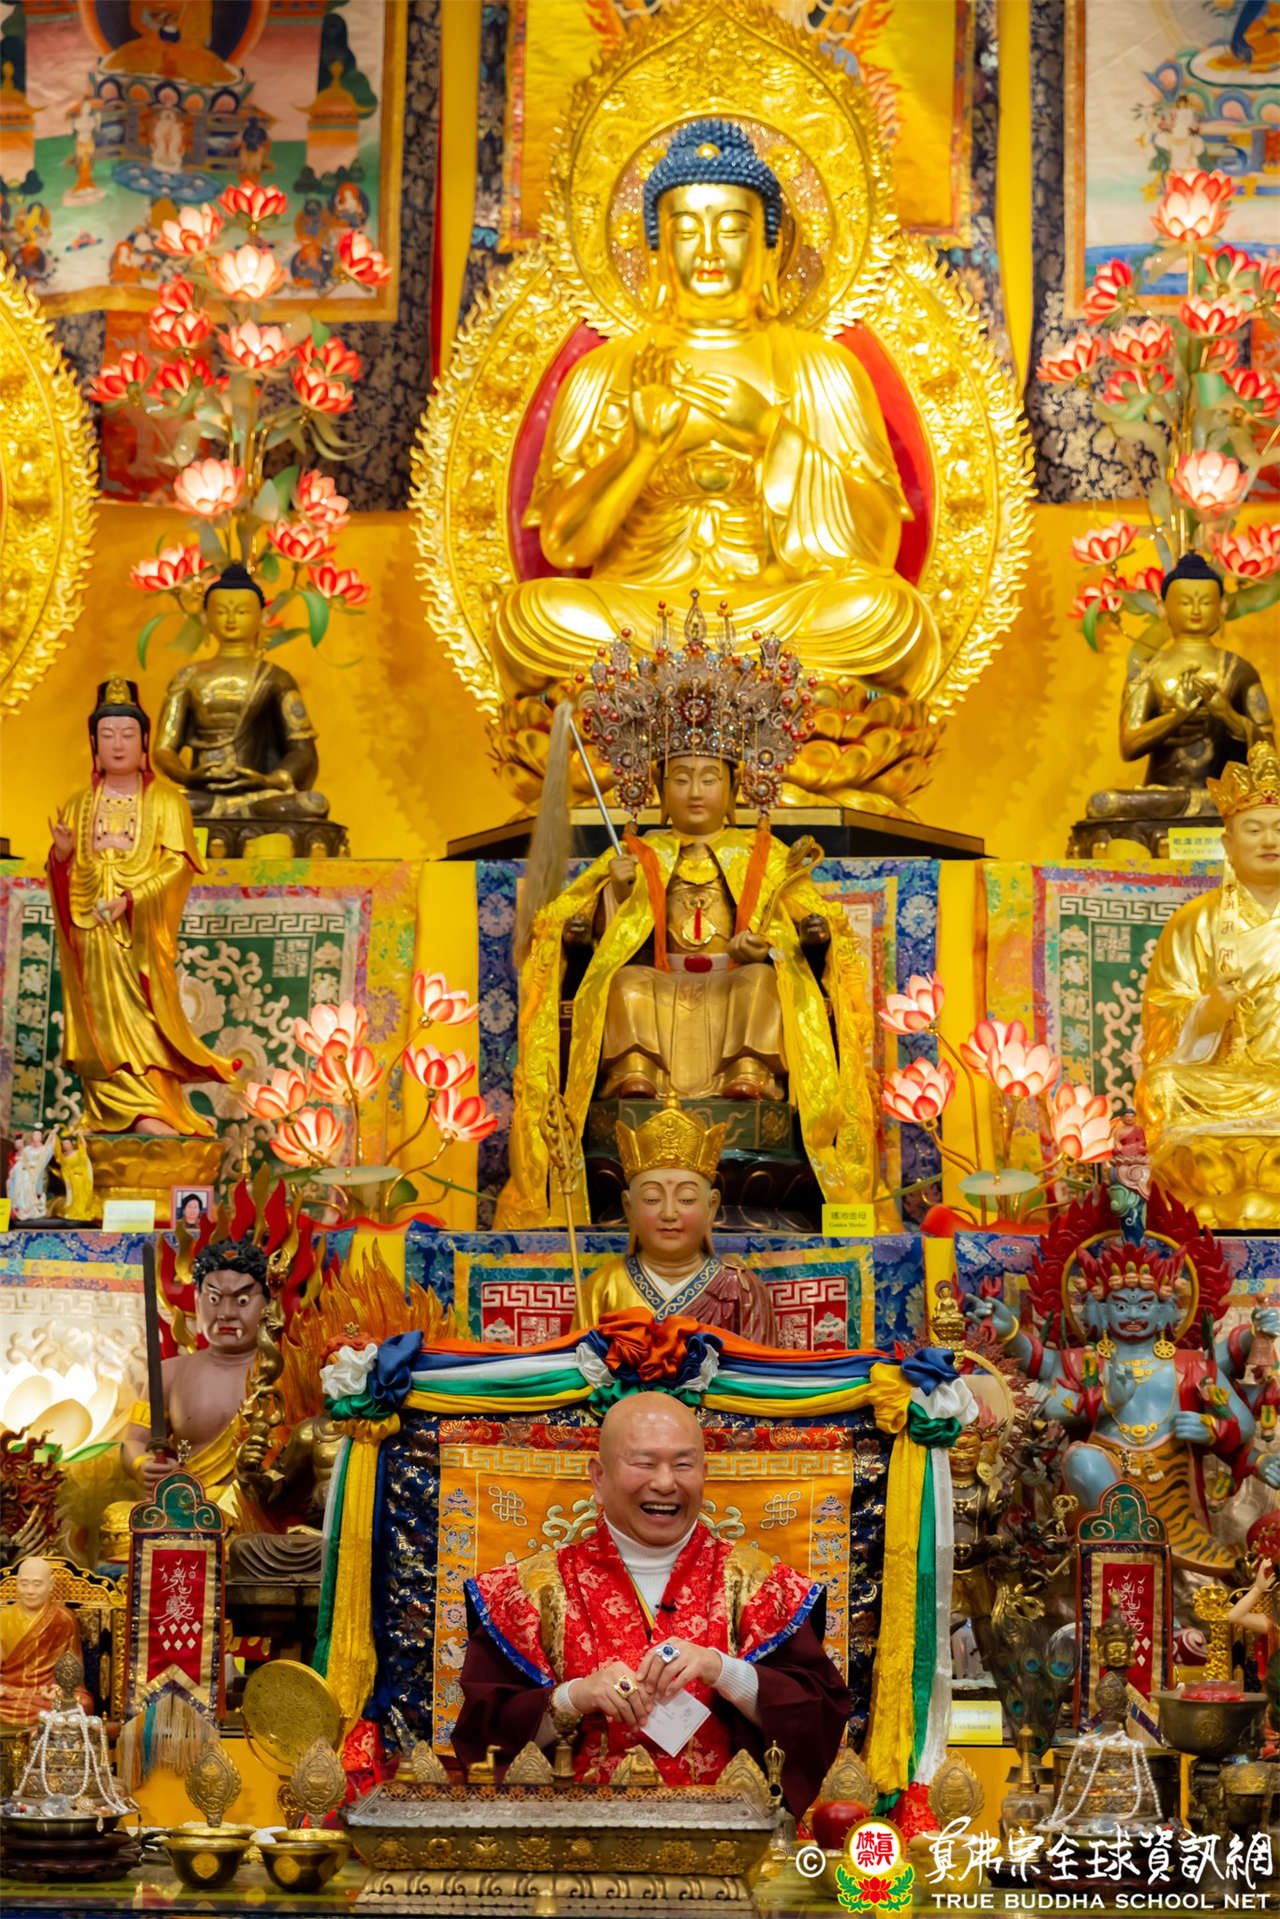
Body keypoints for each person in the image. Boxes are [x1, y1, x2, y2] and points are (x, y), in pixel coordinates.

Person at [494, 118, 939, 702]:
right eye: (685, 230)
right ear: (657, 252)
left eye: (731, 228)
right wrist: (638, 450)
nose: (707, 250)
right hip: (636, 618)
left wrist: (771, 433)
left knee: (891, 616)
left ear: (770, 248)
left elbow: (876, 547)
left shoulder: (820, 368)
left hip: (776, 617)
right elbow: (565, 546)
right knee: (527, 617)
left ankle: (666, 697)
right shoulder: (605, 373)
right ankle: (773, 697)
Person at [454, 1391, 851, 1812]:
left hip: (728, 1832)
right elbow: (483, 1742)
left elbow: (817, 1721)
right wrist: (573, 1698)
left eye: (683, 1465)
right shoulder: (527, 1591)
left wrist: (722, 1670)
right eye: (644, 1463)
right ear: (598, 1477)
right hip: (574, 1835)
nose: (665, 1483)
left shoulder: (761, 1585)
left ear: (704, 1474)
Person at [46, 677, 236, 1135]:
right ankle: (106, 1112)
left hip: (140, 935)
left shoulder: (168, 802)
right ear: (94, 744)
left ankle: (154, 1109)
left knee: (146, 1017)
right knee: (98, 1019)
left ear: (145, 741)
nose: (117, 744)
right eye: (107, 735)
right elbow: (64, 873)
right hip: (92, 929)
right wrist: (62, 857)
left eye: (127, 734)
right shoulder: (79, 803)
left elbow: (179, 865)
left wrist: (132, 899)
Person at [1136, 738, 1280, 1226]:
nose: (1269, 840)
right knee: (1163, 1087)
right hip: (1221, 1079)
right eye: (1254, 829)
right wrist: (1209, 1010)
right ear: (1228, 844)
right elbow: (1161, 1017)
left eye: (1279, 828)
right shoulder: (1194, 921)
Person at [152, 564, 332, 855]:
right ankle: (235, 829)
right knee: (158, 807)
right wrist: (188, 777)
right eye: (221, 611)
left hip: (259, 797)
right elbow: (163, 749)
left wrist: (268, 780)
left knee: (313, 804)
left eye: (243, 611)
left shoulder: (275, 678)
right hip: (201, 796)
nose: (231, 618)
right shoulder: (188, 677)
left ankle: (230, 828)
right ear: (205, 617)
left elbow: (303, 752)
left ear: (262, 617)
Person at [575, 1097, 777, 1340]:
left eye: (686, 1199)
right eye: (651, 1199)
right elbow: (581, 1361)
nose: (669, 1213)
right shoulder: (602, 1287)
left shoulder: (740, 1289)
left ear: (712, 1206)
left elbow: (760, 1363)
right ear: (629, 1207)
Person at [120, 1237, 270, 1522]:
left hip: (256, 1508)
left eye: (242, 1300)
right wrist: (142, 1464)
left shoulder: (285, 1372)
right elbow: (133, 1442)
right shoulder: (169, 1373)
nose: (226, 1313)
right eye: (213, 1299)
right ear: (198, 1300)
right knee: (116, 1520)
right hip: (185, 1505)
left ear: (267, 1304)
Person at [0, 1557, 90, 1729]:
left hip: (46, 1694)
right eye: (24, 1584)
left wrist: (61, 1689)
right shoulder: (4, 1618)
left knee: (81, 1704)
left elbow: (72, 1666)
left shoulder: (63, 1619)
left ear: (50, 1585)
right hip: (10, 1692)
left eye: (37, 1584)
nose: (30, 1591)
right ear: (16, 1583)